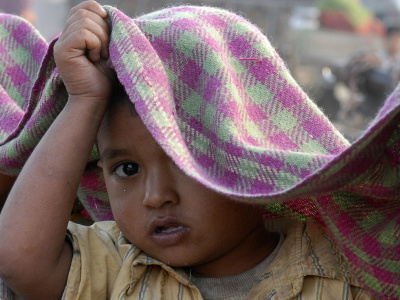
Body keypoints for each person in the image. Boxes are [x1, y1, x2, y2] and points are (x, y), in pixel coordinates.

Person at [0, 1, 399, 299]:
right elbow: (19, 258)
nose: (156, 196)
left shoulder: (340, 269)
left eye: (185, 160)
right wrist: (85, 100)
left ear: (252, 159)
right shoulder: (119, 263)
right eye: (126, 169)